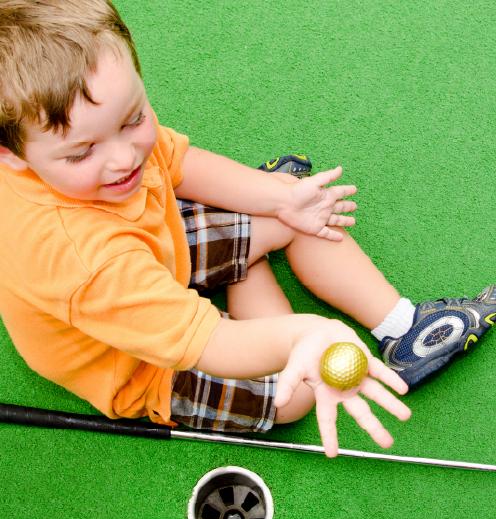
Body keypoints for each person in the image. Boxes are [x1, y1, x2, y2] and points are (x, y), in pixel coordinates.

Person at [0, 0, 494, 458]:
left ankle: (404, 327)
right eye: (83, 152)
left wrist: (282, 197)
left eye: (133, 120)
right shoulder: (81, 262)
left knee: (298, 208)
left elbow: (178, 162)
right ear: (11, 155)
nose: (125, 157)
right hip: (140, 361)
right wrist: (308, 333)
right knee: (294, 396)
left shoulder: (86, 136)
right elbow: (205, 341)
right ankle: (241, 272)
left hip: (156, 248)